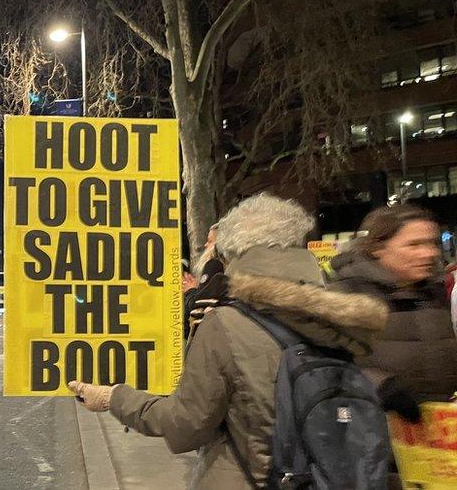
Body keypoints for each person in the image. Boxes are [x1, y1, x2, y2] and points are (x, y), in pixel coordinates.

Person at [69, 194, 389, 489]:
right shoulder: (344, 311)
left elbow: (185, 425)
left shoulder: (226, 322)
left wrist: (115, 398)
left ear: (230, 250)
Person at [329, 205, 457, 414]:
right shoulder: (347, 294)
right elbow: (326, 362)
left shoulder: (434, 292)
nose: (429, 253)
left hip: (434, 428)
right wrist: (382, 387)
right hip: (371, 426)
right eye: (414, 244)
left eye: (432, 243)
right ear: (378, 247)